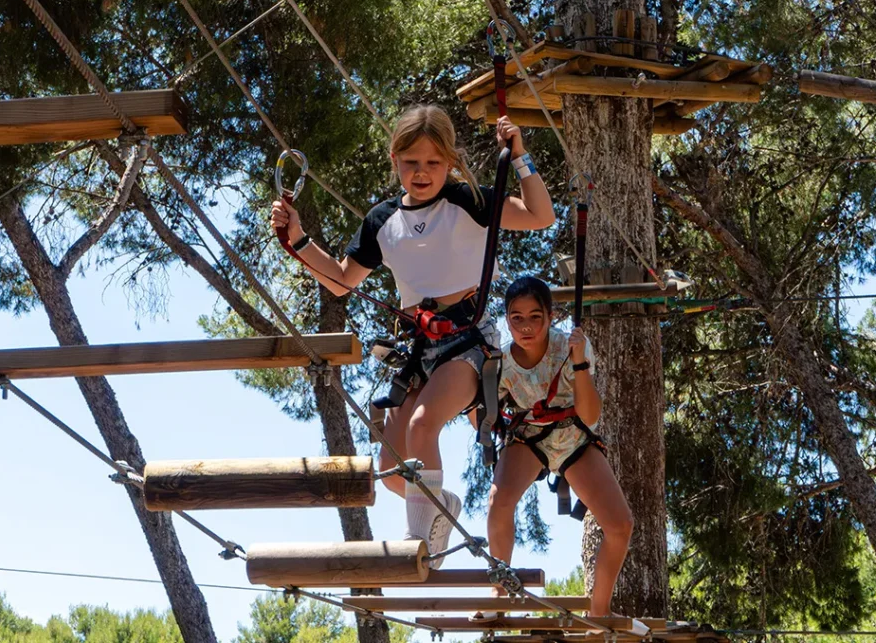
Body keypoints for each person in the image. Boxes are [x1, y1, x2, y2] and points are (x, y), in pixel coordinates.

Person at [271, 105, 555, 565]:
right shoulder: (383, 220)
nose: (421, 173)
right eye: (411, 163)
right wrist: (299, 239)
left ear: (450, 162)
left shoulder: (469, 203)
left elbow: (540, 216)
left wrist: (518, 156)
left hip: (468, 342)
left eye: (433, 163)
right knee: (391, 470)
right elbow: (342, 280)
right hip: (418, 350)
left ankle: (420, 544)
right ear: (394, 160)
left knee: (424, 425)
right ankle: (441, 508)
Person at [484, 276, 645, 632]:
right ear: (507, 319)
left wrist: (580, 363)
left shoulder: (571, 347)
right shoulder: (499, 363)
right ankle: (497, 596)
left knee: (621, 526)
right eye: (516, 318)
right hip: (530, 438)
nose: (526, 327)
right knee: (499, 501)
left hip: (574, 437)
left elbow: (590, 415)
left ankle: (599, 612)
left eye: (535, 317)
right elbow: (483, 415)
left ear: (551, 315)